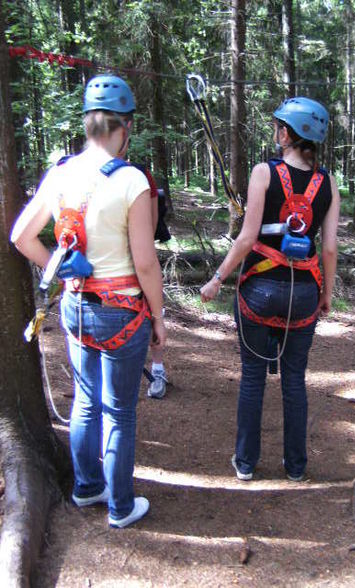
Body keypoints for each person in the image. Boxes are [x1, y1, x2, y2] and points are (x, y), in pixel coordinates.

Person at [10, 74, 166, 527]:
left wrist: (55, 271)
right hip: (122, 309)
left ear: (87, 124)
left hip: (76, 304)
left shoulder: (61, 172)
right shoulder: (132, 180)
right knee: (118, 410)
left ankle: (87, 487)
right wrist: (158, 317)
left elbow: (21, 235)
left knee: (85, 400)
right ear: (126, 127)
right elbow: (146, 264)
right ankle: (120, 506)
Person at [200, 97, 340, 481]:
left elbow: (247, 238)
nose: (276, 131)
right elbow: (328, 247)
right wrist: (326, 292)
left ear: (291, 134)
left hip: (259, 291)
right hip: (305, 294)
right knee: (294, 379)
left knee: (253, 377)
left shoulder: (265, 172)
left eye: (281, 126)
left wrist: (217, 280)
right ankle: (296, 466)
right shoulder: (328, 183)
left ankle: (245, 463)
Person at [131, 164, 169, 399]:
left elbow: (152, 224)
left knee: (153, 311)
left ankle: (157, 369)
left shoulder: (141, 174)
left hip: (139, 256)